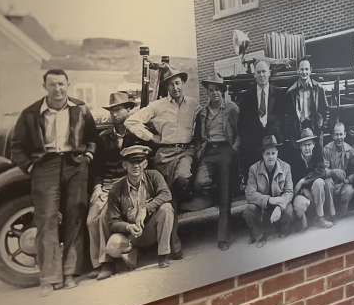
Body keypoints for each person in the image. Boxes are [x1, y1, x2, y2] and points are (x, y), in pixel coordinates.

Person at [8, 69, 98, 296]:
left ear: (68, 85)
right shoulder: (30, 114)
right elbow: (16, 147)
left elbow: (92, 137)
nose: (57, 89)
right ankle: (49, 278)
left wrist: (88, 156)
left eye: (61, 84)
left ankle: (70, 273)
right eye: (52, 85)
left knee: (75, 214)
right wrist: (30, 166)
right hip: (45, 166)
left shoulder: (80, 108)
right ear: (44, 87)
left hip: (75, 164)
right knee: (46, 218)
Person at [100, 145, 180, 275]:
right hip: (132, 236)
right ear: (124, 165)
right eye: (131, 162)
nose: (136, 165)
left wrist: (145, 209)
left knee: (166, 208)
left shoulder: (154, 175)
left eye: (140, 161)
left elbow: (166, 194)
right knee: (112, 246)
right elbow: (113, 222)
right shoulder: (116, 189)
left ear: (145, 163)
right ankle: (133, 252)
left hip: (151, 230)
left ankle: (163, 254)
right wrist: (128, 227)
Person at [87, 91, 138, 278]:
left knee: (104, 217)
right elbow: (97, 168)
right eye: (112, 111)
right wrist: (97, 187)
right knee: (91, 220)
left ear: (128, 110)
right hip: (107, 184)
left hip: (126, 184)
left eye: (118, 110)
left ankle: (107, 263)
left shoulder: (136, 134)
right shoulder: (104, 137)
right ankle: (96, 263)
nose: (114, 114)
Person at [125, 66, 196, 201]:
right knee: (162, 189)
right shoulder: (157, 105)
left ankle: (180, 205)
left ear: (183, 83)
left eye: (177, 83)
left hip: (186, 152)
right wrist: (151, 137)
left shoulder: (193, 104)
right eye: (171, 84)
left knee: (182, 179)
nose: (175, 88)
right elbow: (131, 121)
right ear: (167, 87)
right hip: (165, 154)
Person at [193, 73, 240, 250]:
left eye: (218, 90)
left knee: (225, 193)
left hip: (226, 150)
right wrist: (200, 150)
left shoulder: (231, 108)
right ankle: (215, 194)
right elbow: (199, 137)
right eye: (211, 90)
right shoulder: (202, 112)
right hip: (209, 151)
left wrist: (234, 150)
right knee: (199, 182)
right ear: (207, 92)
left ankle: (223, 237)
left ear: (222, 91)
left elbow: (239, 133)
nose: (215, 93)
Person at [237, 58, 284, 185]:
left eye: (264, 71)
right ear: (254, 75)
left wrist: (279, 137)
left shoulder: (280, 94)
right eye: (258, 72)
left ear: (269, 73)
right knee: (257, 181)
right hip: (254, 145)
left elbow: (284, 119)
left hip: (274, 142)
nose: (262, 75)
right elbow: (242, 123)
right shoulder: (247, 96)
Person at [242, 135, 295, 244]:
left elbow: (289, 192)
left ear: (277, 153)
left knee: (289, 211)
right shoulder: (254, 169)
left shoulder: (286, 167)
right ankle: (259, 234)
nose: (270, 157)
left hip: (278, 203)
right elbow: (249, 193)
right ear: (263, 155)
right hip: (263, 205)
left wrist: (279, 207)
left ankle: (282, 230)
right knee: (248, 210)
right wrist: (270, 200)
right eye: (267, 153)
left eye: (273, 153)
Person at [287, 127, 335, 230]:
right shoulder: (295, 160)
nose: (307, 148)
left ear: (313, 145)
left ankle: (321, 218)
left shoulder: (317, 156)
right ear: (300, 147)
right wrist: (302, 188)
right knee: (302, 226)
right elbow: (293, 183)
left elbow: (321, 172)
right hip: (302, 193)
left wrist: (303, 180)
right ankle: (306, 218)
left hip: (315, 190)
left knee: (319, 182)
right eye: (304, 145)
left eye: (309, 144)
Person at [283, 56, 331, 142]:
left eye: (306, 69)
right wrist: (292, 131)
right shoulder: (291, 91)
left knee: (316, 150)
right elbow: (287, 116)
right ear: (297, 71)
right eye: (301, 69)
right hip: (298, 129)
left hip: (315, 128)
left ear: (310, 70)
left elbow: (326, 109)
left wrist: (322, 127)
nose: (304, 72)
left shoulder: (318, 88)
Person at [322, 120, 354, 217]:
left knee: (349, 190)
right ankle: (331, 212)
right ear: (333, 136)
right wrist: (333, 172)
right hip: (331, 182)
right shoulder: (326, 149)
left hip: (344, 183)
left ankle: (342, 211)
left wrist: (347, 180)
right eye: (336, 135)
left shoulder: (350, 150)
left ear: (345, 134)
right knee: (327, 183)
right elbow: (323, 170)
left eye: (341, 134)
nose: (339, 138)